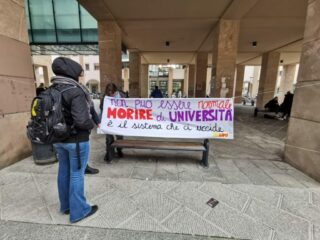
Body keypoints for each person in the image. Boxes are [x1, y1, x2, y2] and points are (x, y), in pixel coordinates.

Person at [51, 57, 98, 223]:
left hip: (58, 139)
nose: (80, 76)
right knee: (77, 174)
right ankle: (79, 211)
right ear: (72, 73)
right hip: (76, 140)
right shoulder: (75, 91)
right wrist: (92, 124)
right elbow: (82, 120)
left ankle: (66, 207)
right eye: (79, 73)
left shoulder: (52, 89)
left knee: (63, 171)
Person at [100, 83, 124, 163]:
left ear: (115, 90)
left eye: (112, 91)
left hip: (119, 120)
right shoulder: (105, 97)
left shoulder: (121, 95)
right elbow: (101, 107)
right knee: (109, 138)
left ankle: (119, 150)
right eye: (108, 91)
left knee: (119, 137)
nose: (110, 93)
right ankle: (109, 155)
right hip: (108, 120)